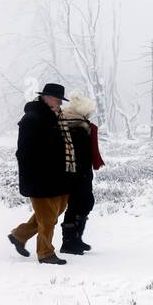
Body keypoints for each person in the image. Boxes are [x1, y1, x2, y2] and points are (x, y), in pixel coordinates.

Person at [7, 83, 76, 264]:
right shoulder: (33, 118)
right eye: (56, 99)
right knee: (47, 217)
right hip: (39, 176)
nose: (60, 103)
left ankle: (19, 235)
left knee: (57, 209)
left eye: (61, 99)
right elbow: (23, 152)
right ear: (45, 97)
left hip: (58, 174)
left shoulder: (56, 117)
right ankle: (45, 253)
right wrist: (37, 170)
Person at [58, 90, 104, 255]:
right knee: (76, 205)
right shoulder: (75, 126)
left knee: (84, 203)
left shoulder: (81, 125)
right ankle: (69, 242)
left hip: (82, 172)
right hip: (75, 173)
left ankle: (75, 238)